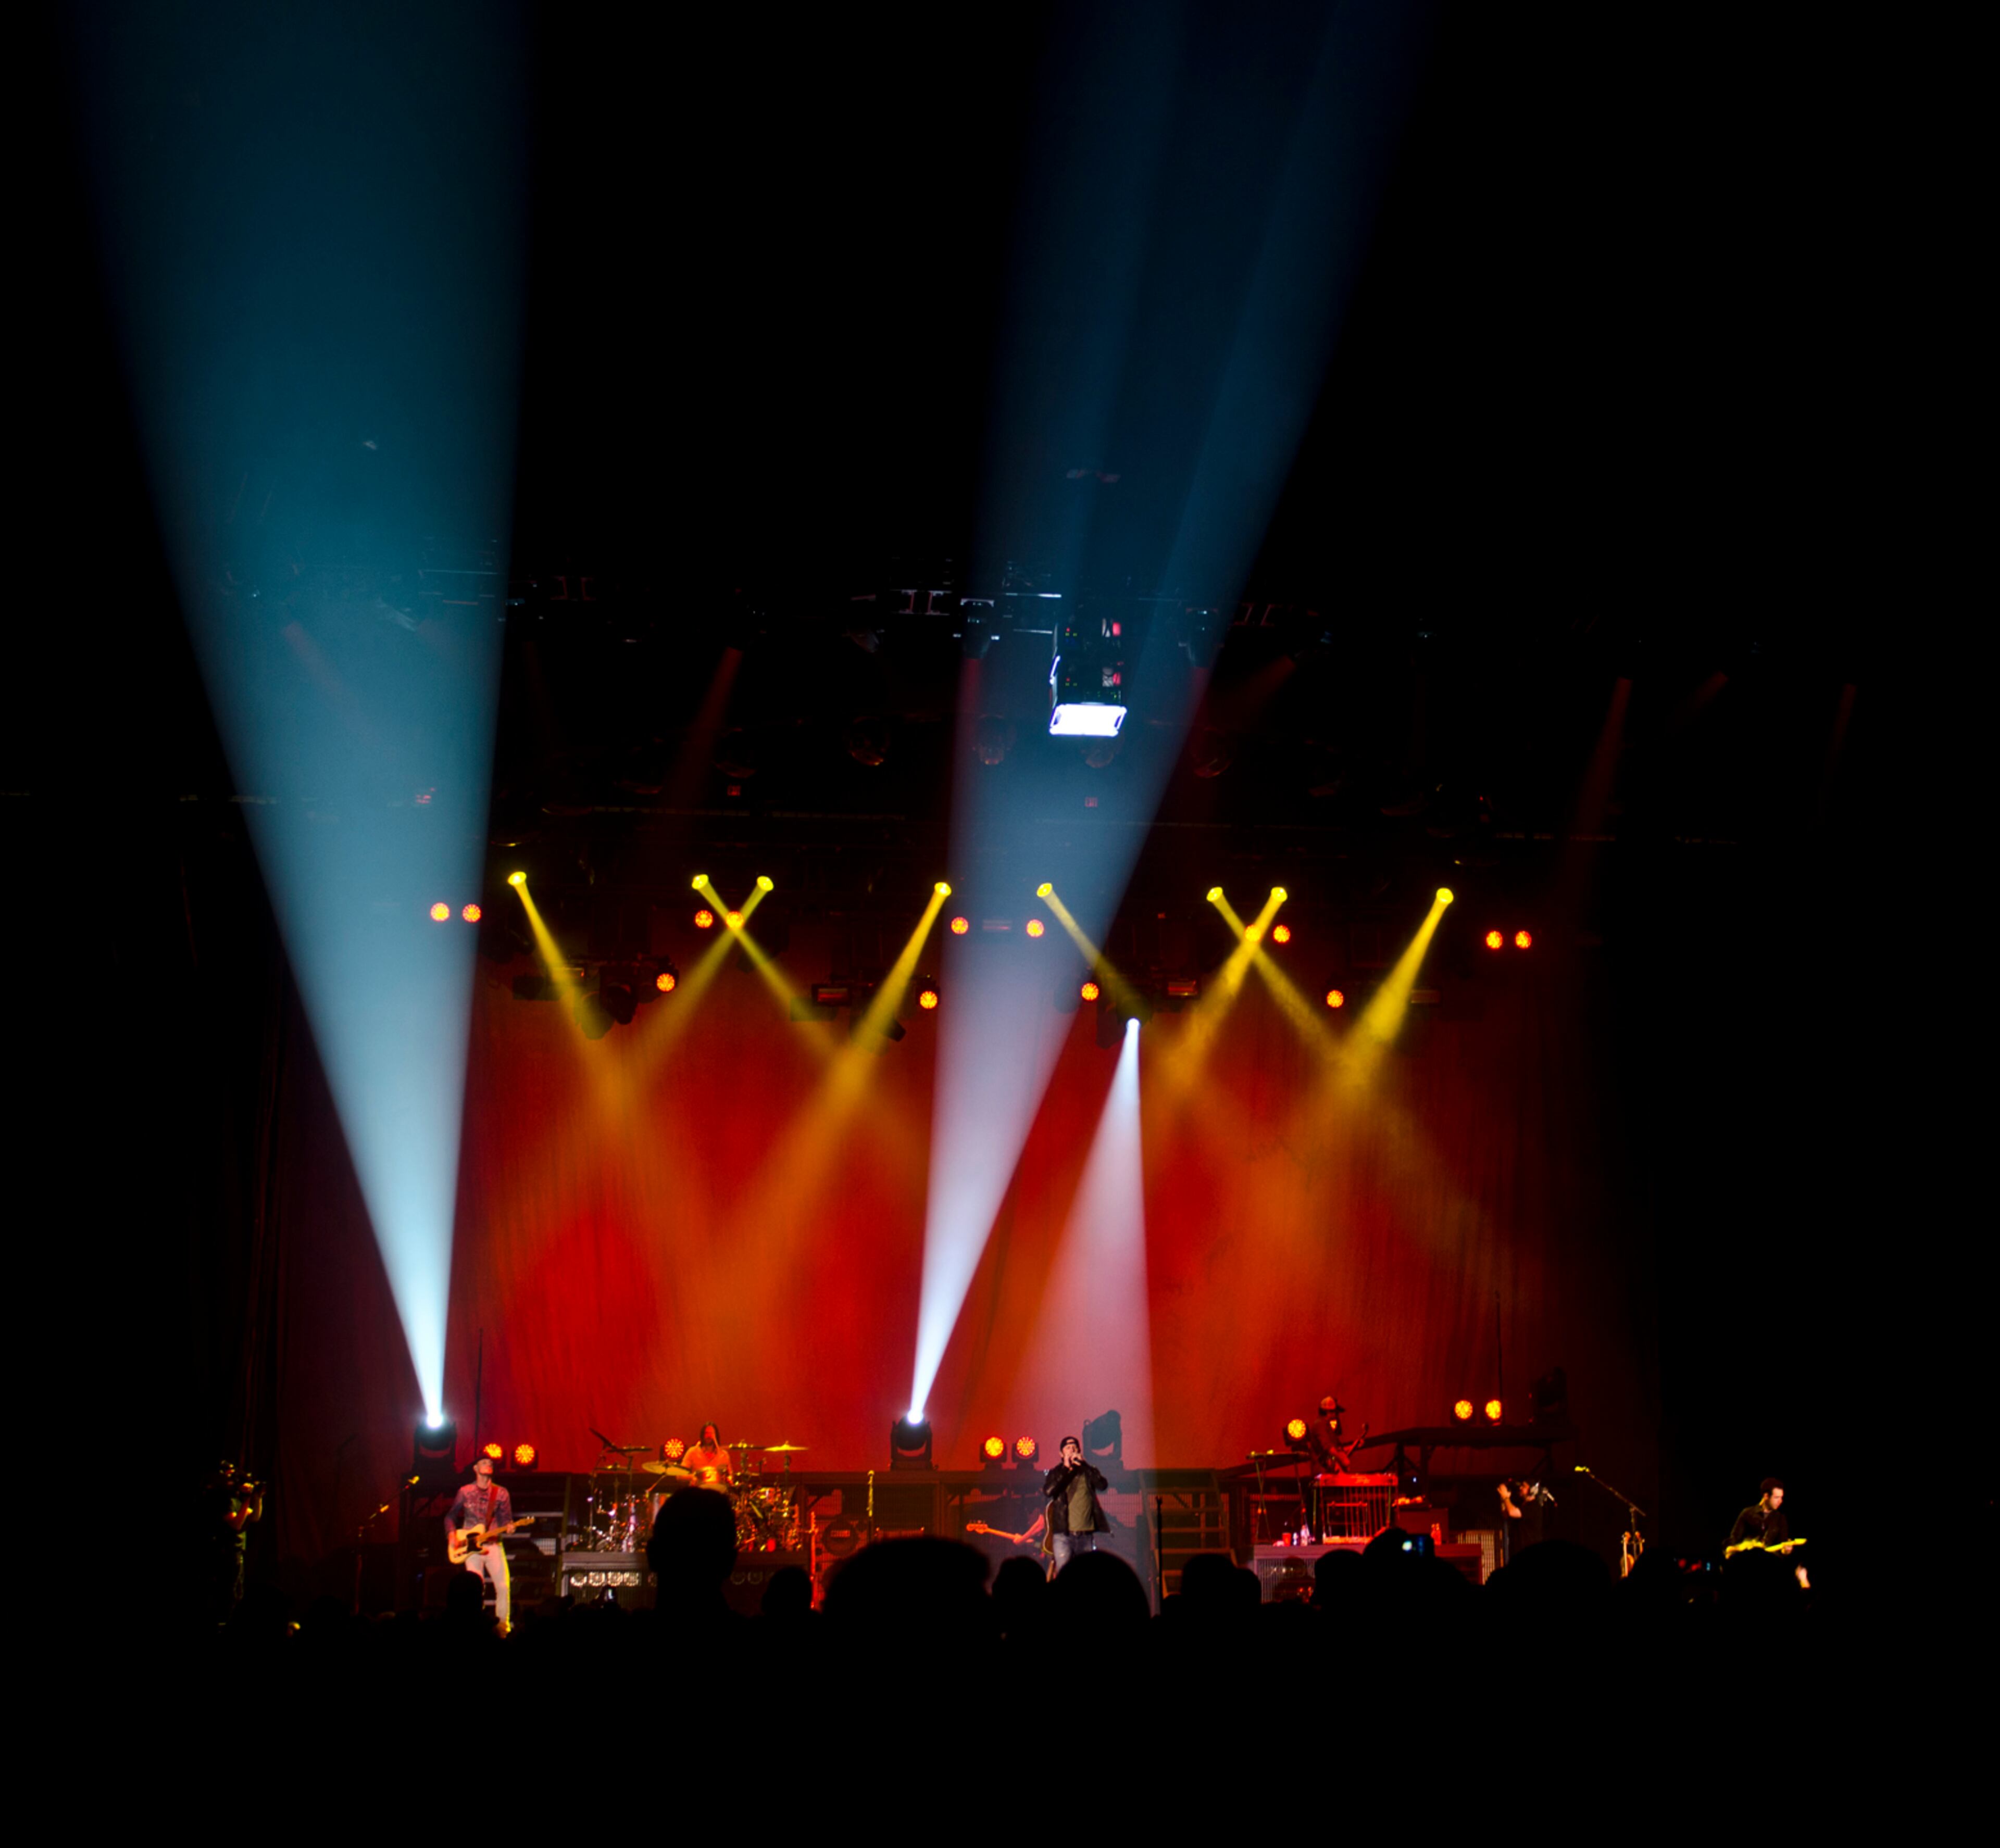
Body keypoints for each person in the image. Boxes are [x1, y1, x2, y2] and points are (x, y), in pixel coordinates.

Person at [445, 1453, 516, 1631]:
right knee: (476, 1588)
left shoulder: (501, 1493)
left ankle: (503, 1627)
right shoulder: (465, 1491)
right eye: (484, 1462)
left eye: (491, 1463)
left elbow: (506, 1519)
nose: (488, 1465)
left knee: (503, 1586)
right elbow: (450, 1516)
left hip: (493, 1545)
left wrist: (509, 1526)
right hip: (469, 1547)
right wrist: (452, 1536)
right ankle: (476, 1627)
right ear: (476, 1469)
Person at [1042, 1436, 1110, 1572]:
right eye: (1068, 1448)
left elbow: (1102, 1485)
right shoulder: (1056, 1472)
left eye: (1075, 1447)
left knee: (1083, 1577)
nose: (1072, 1450)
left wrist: (1085, 1465)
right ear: (1061, 1454)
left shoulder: (1088, 1471)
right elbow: (1049, 1491)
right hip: (1063, 1535)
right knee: (1064, 1575)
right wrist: (1066, 1469)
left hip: (1085, 1534)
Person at [209, 1462, 264, 1624]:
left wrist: (257, 1497)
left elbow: (254, 1518)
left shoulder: (238, 1500)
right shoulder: (225, 1500)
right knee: (227, 1593)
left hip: (237, 1551)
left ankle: (231, 1623)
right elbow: (236, 1525)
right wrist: (247, 1500)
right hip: (225, 1552)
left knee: (237, 1592)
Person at [1497, 1477, 1554, 1564]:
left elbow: (1512, 1512)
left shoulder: (1534, 1507)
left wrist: (1506, 1498)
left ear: (1532, 1490)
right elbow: (1506, 1514)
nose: (1521, 1488)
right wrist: (1503, 1499)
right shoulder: (1523, 1505)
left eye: (1524, 1486)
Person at [684, 1423, 734, 1490]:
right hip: (697, 1492)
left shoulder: (724, 1455)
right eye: (706, 1433)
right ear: (702, 1435)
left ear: (716, 1436)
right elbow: (681, 1474)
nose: (709, 1436)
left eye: (712, 1434)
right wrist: (693, 1477)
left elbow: (730, 1475)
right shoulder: (693, 1452)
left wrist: (730, 1478)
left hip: (718, 1492)